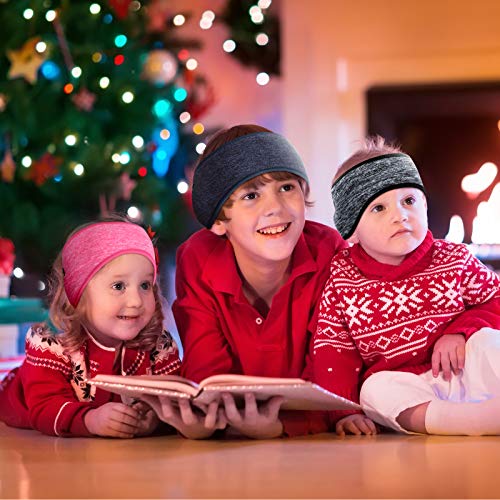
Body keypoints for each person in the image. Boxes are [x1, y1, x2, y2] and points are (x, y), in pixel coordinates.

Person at [167, 124, 346, 439]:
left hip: (311, 442)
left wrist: (282, 427)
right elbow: (205, 370)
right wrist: (208, 421)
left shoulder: (329, 252)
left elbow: (334, 368)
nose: (275, 208)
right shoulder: (197, 259)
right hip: (231, 437)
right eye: (251, 195)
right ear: (221, 220)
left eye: (286, 187)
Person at [313, 136, 500, 436]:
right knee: (373, 390)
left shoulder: (453, 258)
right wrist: (344, 412)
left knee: (489, 342)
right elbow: (333, 351)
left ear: (424, 205)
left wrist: (460, 331)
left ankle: (487, 411)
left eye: (409, 201)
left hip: (463, 369)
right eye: (378, 208)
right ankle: (467, 421)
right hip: (410, 388)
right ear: (352, 229)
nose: (400, 215)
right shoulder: (342, 279)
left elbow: (495, 298)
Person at [0, 218, 224, 438]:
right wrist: (90, 420)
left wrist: (154, 421)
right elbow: (44, 408)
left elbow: (174, 399)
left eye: (145, 285)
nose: (136, 300)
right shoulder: (53, 345)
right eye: (119, 286)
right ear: (78, 292)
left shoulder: (158, 346)